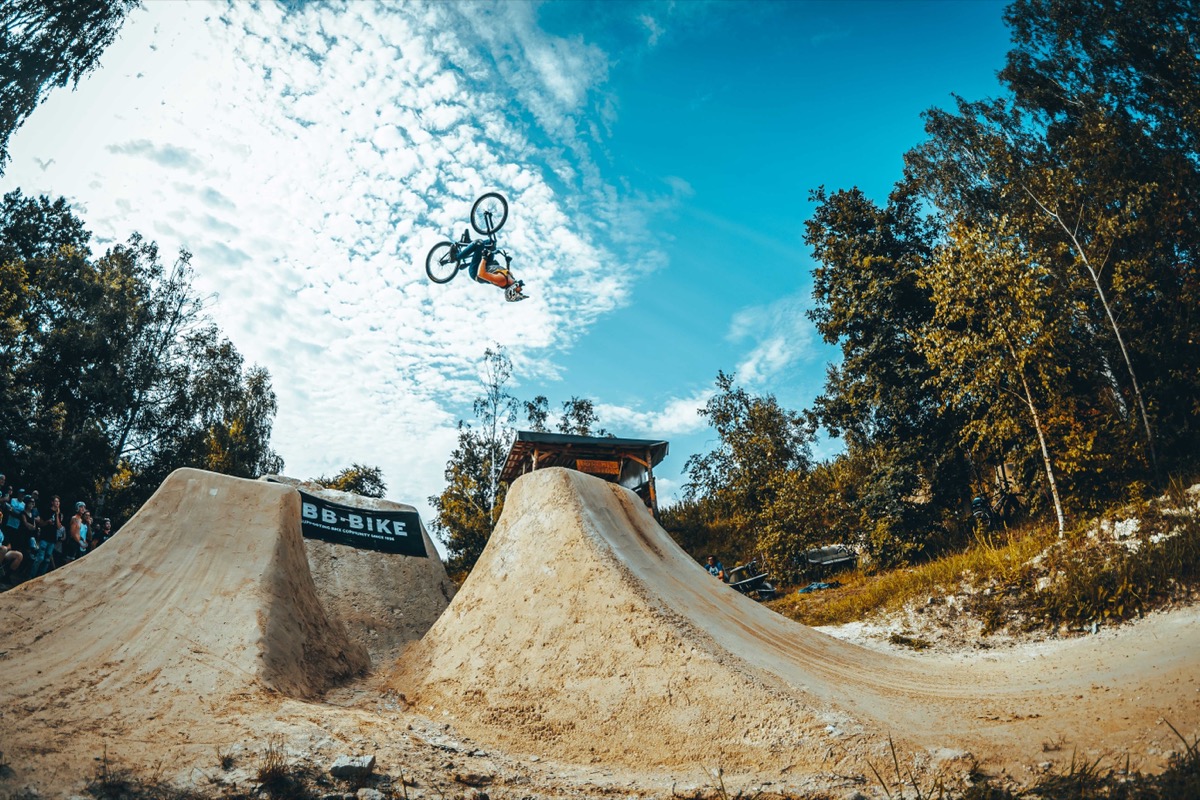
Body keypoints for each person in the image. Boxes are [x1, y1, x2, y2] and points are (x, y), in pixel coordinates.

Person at [454, 229, 526, 302]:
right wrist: (508, 262)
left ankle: (456, 257)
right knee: (491, 244)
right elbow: (507, 273)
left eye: (519, 292)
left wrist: (484, 257)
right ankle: (468, 243)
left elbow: (481, 274)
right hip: (488, 265)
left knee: (479, 243)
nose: (521, 289)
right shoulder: (511, 278)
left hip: (476, 271)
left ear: (512, 291)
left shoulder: (501, 280)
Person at [31, 495, 62, 578]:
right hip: (44, 537)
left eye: (58, 502)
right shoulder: (46, 511)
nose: (57, 503)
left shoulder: (58, 514)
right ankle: (31, 576)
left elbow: (59, 526)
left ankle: (40, 577)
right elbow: (40, 524)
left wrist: (57, 515)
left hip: (52, 539)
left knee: (47, 560)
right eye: (56, 501)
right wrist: (47, 522)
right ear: (52, 502)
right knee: (40, 558)